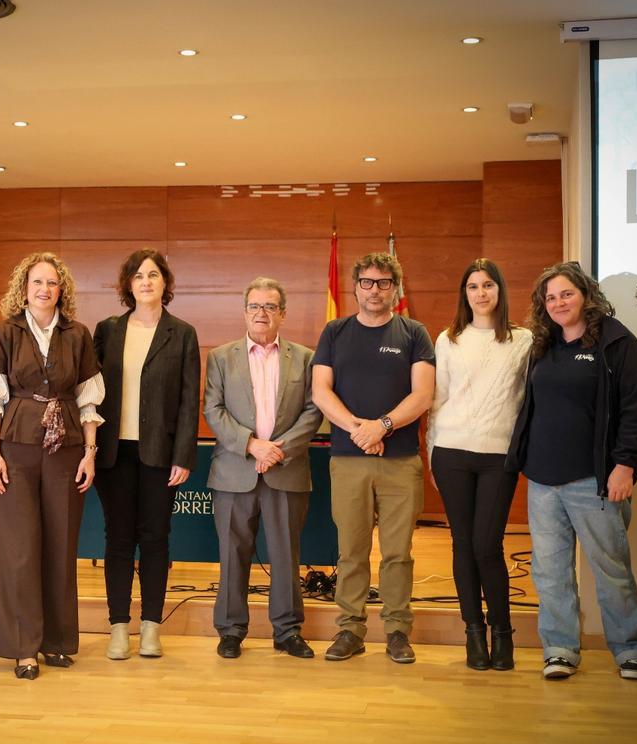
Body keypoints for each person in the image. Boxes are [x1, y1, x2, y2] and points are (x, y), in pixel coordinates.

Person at [506, 261, 637, 681]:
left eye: (566, 294)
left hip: (596, 480)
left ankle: (631, 650)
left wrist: (624, 466)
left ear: (586, 295)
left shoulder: (617, 341)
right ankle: (560, 649)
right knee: (550, 571)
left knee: (611, 570)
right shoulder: (542, 344)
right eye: (549, 297)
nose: (558, 303)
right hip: (543, 480)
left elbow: (635, 410)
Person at [0, 252, 104, 680]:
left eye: (52, 283)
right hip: (15, 447)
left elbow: (88, 398)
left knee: (59, 543)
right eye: (37, 282)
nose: (45, 289)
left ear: (61, 290)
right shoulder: (5, 333)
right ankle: (22, 646)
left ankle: (54, 641)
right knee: (18, 549)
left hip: (66, 447)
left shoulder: (78, 334)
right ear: (24, 288)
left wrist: (89, 451)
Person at [312, 252, 435, 664]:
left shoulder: (414, 332)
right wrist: (358, 429)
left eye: (384, 283)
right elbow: (321, 391)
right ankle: (350, 629)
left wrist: (381, 426)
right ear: (355, 286)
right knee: (351, 551)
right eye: (367, 282)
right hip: (348, 459)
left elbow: (422, 395)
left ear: (395, 288)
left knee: (398, 552)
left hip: (400, 460)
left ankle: (398, 630)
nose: (375, 290)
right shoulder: (335, 331)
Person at [204, 278, 323, 659]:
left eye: (270, 307)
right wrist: (251, 444)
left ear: (282, 314)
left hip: (285, 470)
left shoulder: (305, 358)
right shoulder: (221, 357)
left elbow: (313, 410)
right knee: (231, 553)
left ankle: (287, 631)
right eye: (254, 306)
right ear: (244, 312)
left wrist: (277, 450)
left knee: (286, 554)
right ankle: (230, 630)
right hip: (234, 471)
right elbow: (213, 410)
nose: (261, 313)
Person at [93, 249, 199, 660]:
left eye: (153, 274)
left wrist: (184, 455)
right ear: (128, 285)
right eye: (138, 275)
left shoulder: (183, 333)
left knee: (156, 539)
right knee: (118, 539)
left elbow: (190, 400)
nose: (146, 281)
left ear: (165, 283)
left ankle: (152, 628)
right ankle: (119, 626)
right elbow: (91, 393)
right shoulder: (107, 330)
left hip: (160, 454)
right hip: (113, 453)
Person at [427, 259, 531, 670]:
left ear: (500, 290)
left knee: (487, 545)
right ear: (464, 294)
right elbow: (437, 401)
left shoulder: (524, 341)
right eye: (472, 286)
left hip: (498, 456)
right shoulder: (449, 338)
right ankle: (473, 632)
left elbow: (525, 403)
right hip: (451, 452)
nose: (481, 293)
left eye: (488, 285)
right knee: (462, 544)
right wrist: (433, 454)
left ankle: (502, 631)